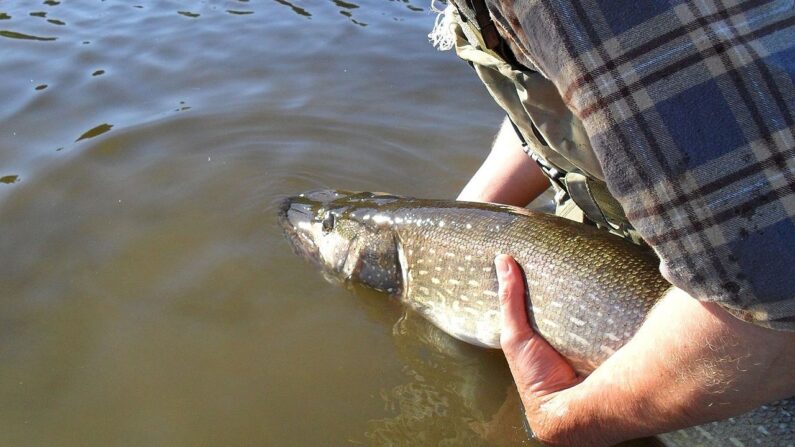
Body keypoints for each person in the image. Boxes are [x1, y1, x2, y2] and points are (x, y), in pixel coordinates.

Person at [435, 1, 795, 445]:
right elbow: (577, 91)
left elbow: (776, 303)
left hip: (739, 329)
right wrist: (457, 224)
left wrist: (561, 418)